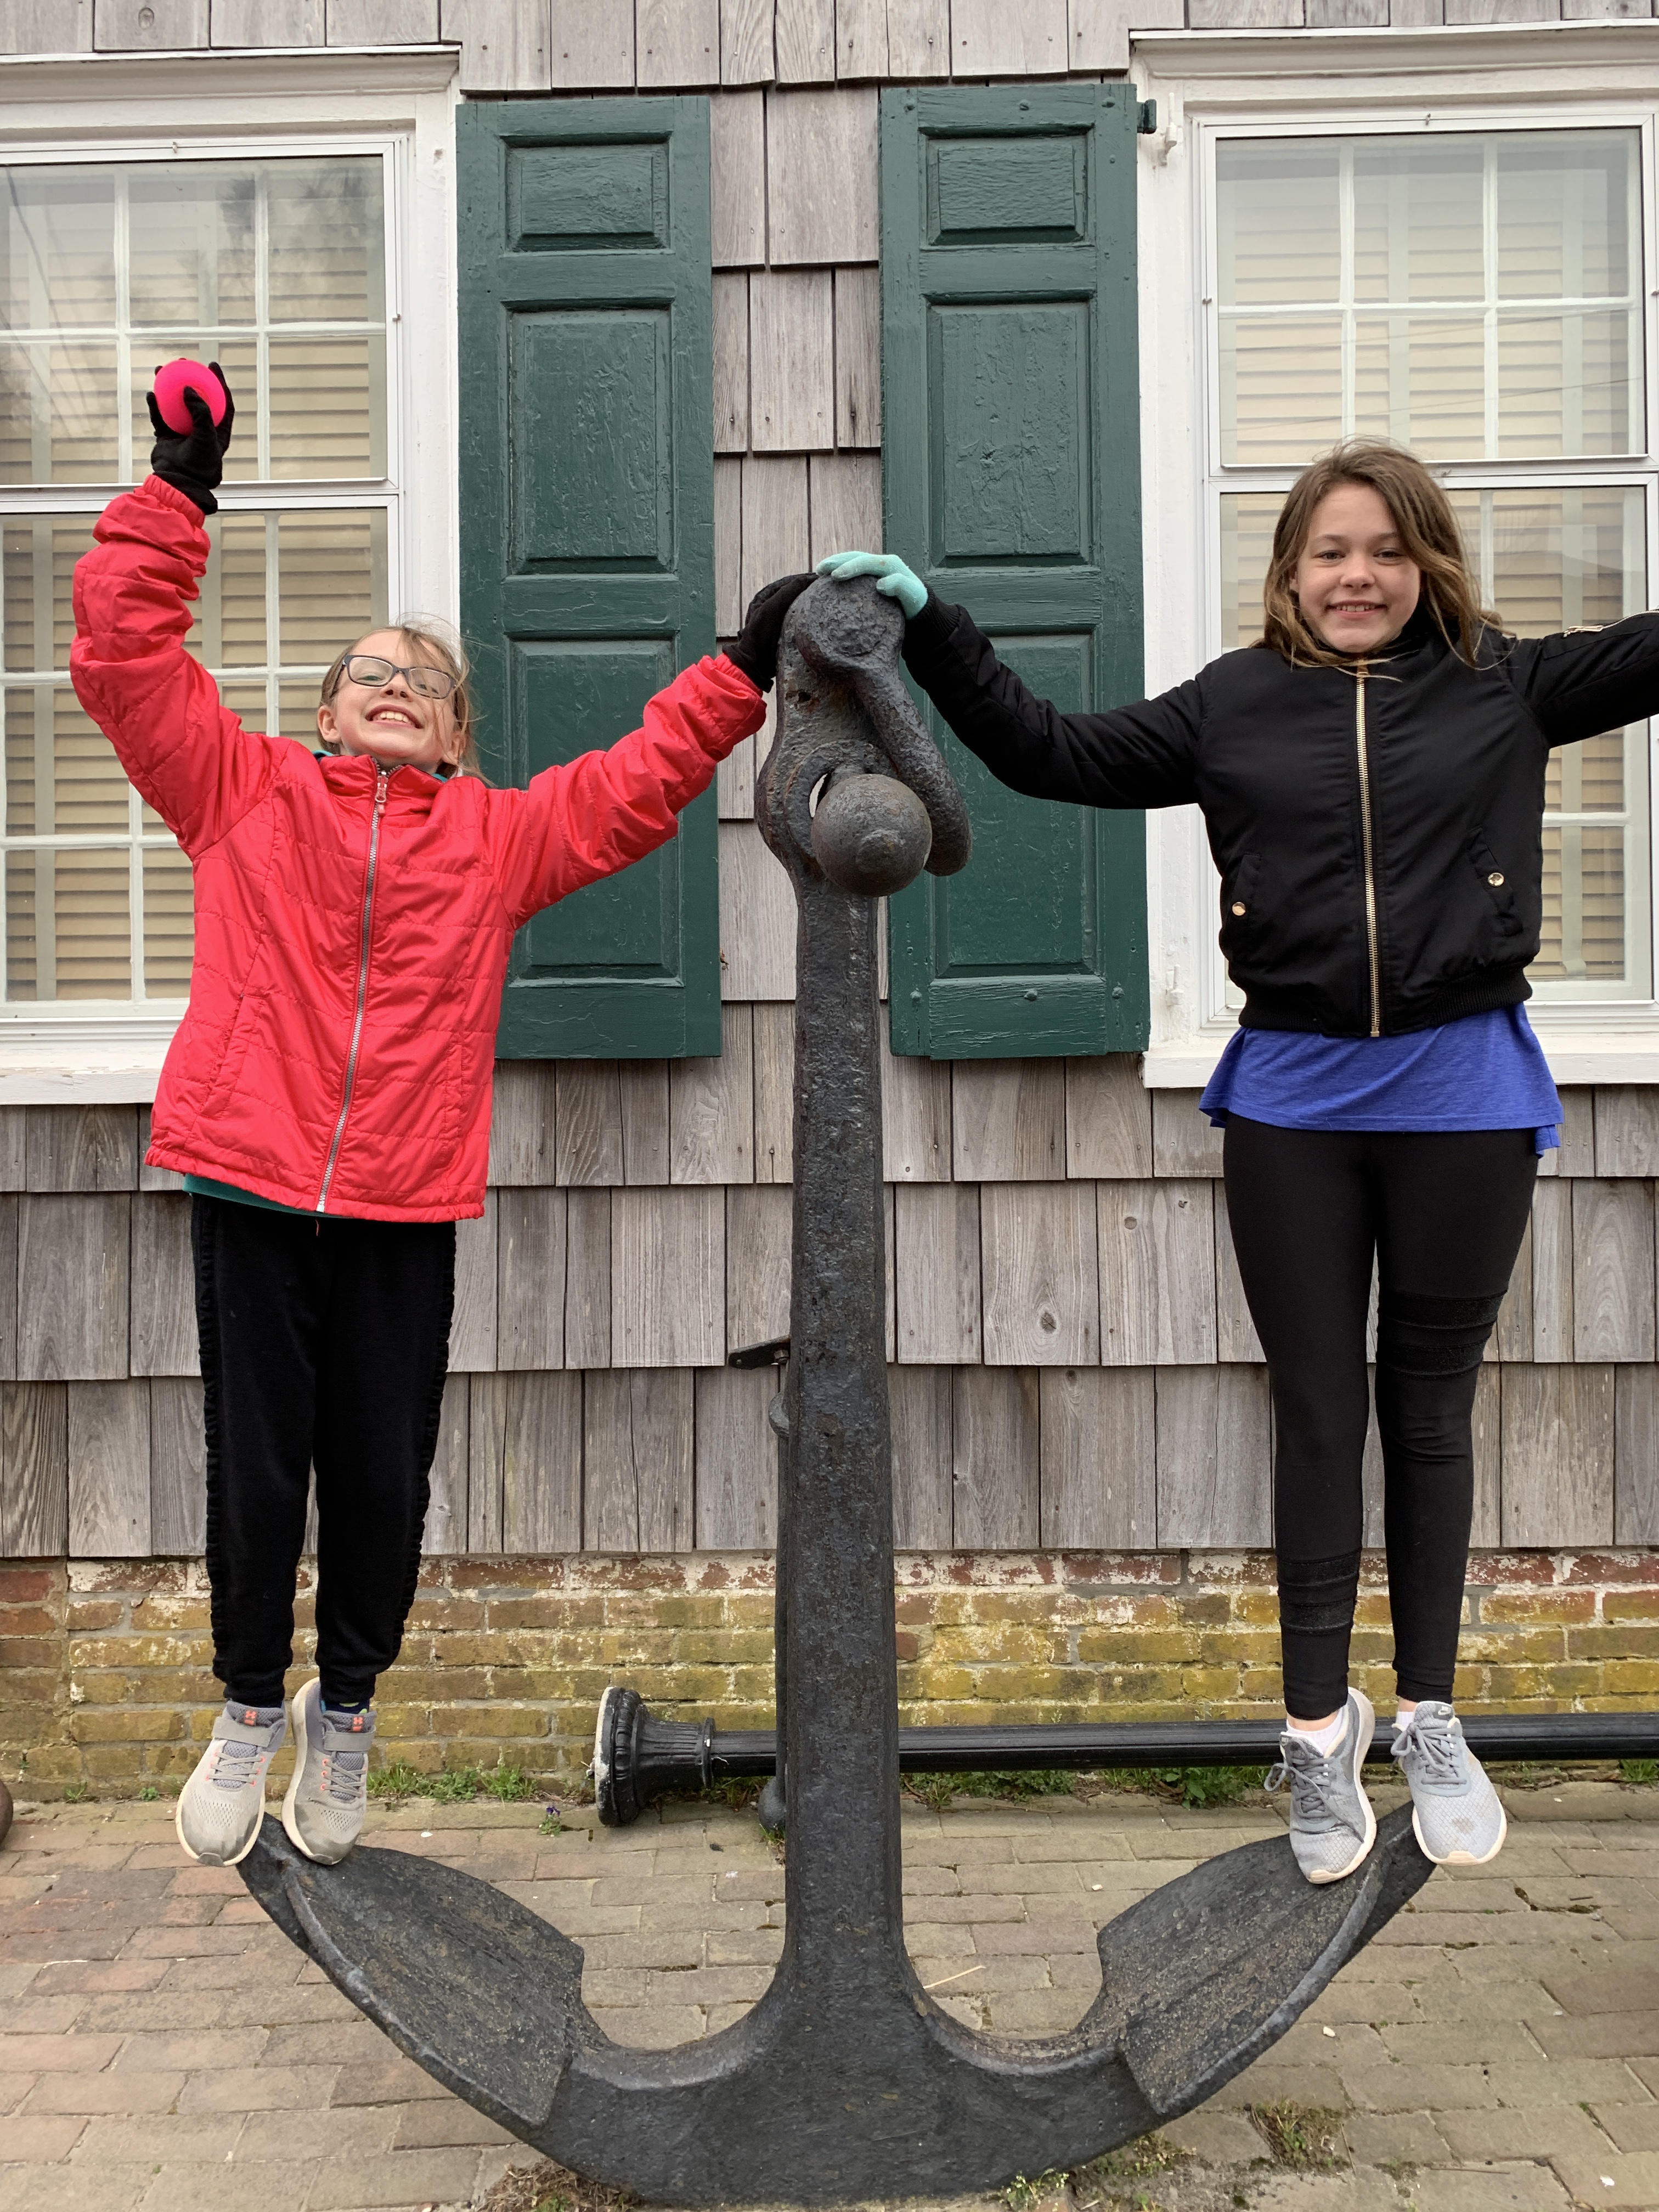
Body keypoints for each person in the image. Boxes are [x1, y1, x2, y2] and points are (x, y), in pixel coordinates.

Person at [821, 442, 1659, 1884]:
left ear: (1429, 564)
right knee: (1320, 1414)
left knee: (1432, 1411)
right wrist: (933, 624)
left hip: (1464, 1091)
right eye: (1331, 552)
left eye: (1386, 551)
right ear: (1290, 571)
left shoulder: (1507, 685)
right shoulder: (1232, 703)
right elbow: (1048, 752)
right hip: (1296, 1104)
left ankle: (1432, 1715)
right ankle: (1318, 1732)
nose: (1357, 576)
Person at [71, 367, 810, 1870]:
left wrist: (741, 667)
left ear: (458, 731)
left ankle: (344, 1716)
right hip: (251, 1179)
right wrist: (178, 490)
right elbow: (124, 656)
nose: (394, 682)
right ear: (326, 711)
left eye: (423, 677)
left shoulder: (498, 838)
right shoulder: (239, 793)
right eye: (368, 671)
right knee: (255, 1466)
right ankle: (246, 1709)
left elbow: (639, 783)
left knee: (381, 1476)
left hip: (405, 1198)